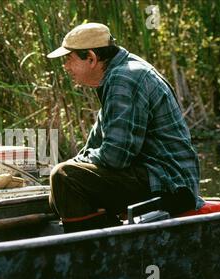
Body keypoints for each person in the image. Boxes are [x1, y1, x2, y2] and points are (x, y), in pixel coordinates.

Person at [46, 23, 203, 233]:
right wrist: (74, 167)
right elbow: (95, 144)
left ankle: (92, 256)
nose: (65, 66)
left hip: (170, 185)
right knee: (61, 182)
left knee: (65, 177)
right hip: (157, 178)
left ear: (91, 58)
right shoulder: (117, 74)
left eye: (69, 59)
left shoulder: (124, 79)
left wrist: (69, 171)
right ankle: (105, 237)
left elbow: (115, 156)